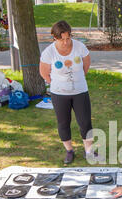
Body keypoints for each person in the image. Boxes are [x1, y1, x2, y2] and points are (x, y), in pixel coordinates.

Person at [39, 20, 100, 164]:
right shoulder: (49, 52)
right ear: (55, 38)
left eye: (68, 38)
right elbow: (44, 73)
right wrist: (58, 84)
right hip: (59, 94)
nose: (66, 42)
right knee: (63, 123)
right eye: (62, 39)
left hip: (80, 91)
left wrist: (78, 80)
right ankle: (69, 151)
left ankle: (88, 151)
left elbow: (86, 64)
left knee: (85, 122)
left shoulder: (80, 47)